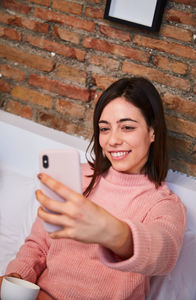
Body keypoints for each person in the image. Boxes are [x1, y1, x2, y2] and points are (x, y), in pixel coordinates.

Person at [0, 77, 186, 299]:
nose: (112, 140)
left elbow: (163, 252)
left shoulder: (163, 204)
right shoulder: (78, 176)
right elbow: (38, 246)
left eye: (127, 127)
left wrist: (113, 232)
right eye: (104, 129)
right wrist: (16, 281)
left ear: (153, 131)